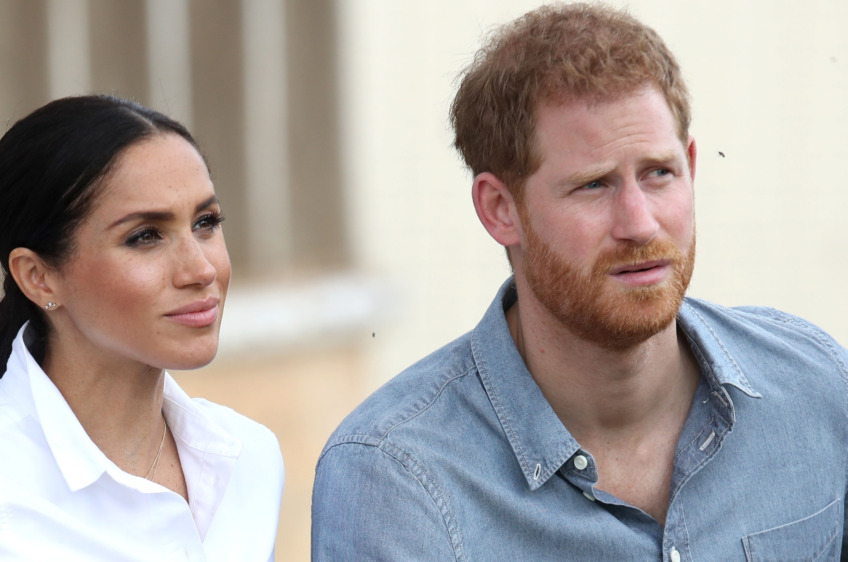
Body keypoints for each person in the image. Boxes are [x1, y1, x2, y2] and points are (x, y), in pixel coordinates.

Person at [312, 3, 848, 559]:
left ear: (692, 165)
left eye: (658, 173)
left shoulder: (817, 392)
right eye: (594, 186)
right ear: (500, 209)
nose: (639, 223)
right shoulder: (398, 479)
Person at [0, 95, 284, 560]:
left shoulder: (246, 458)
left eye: (206, 223)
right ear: (38, 276)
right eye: (144, 236)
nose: (200, 269)